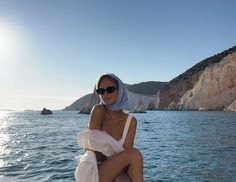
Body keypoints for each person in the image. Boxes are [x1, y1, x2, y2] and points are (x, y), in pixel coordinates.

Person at [75, 73, 143, 182]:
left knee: (123, 180)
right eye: (100, 91)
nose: (105, 94)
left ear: (119, 90)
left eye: (110, 89)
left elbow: (126, 159)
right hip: (94, 171)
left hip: (118, 171)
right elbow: (91, 152)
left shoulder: (131, 121)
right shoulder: (98, 111)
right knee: (135, 154)